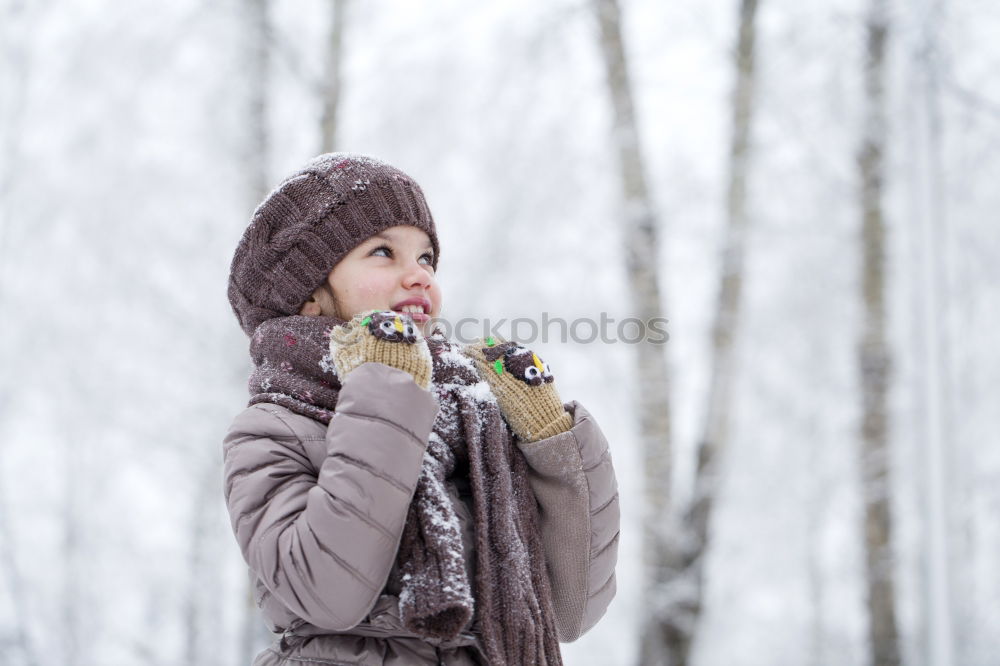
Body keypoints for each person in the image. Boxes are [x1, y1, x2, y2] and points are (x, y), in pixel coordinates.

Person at [223, 152, 619, 665]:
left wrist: (549, 440)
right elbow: (325, 592)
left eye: (427, 257)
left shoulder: (472, 427)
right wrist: (387, 388)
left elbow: (570, 609)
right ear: (309, 297)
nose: (419, 276)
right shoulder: (273, 428)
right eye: (384, 252)